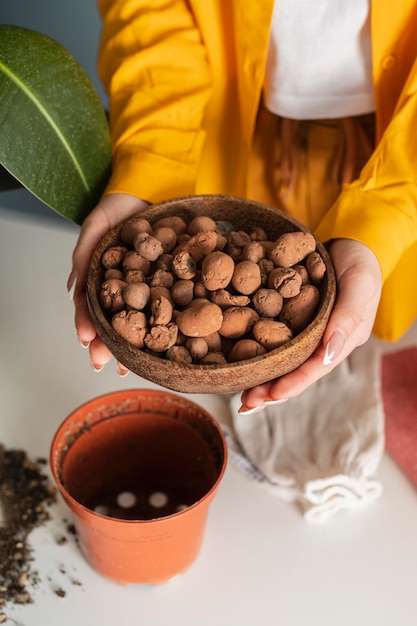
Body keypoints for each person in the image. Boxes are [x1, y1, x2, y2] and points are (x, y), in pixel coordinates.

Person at [68, 0, 417, 414]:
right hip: (227, 136)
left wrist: (388, 208)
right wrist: (153, 160)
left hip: (394, 153)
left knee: (358, 330)